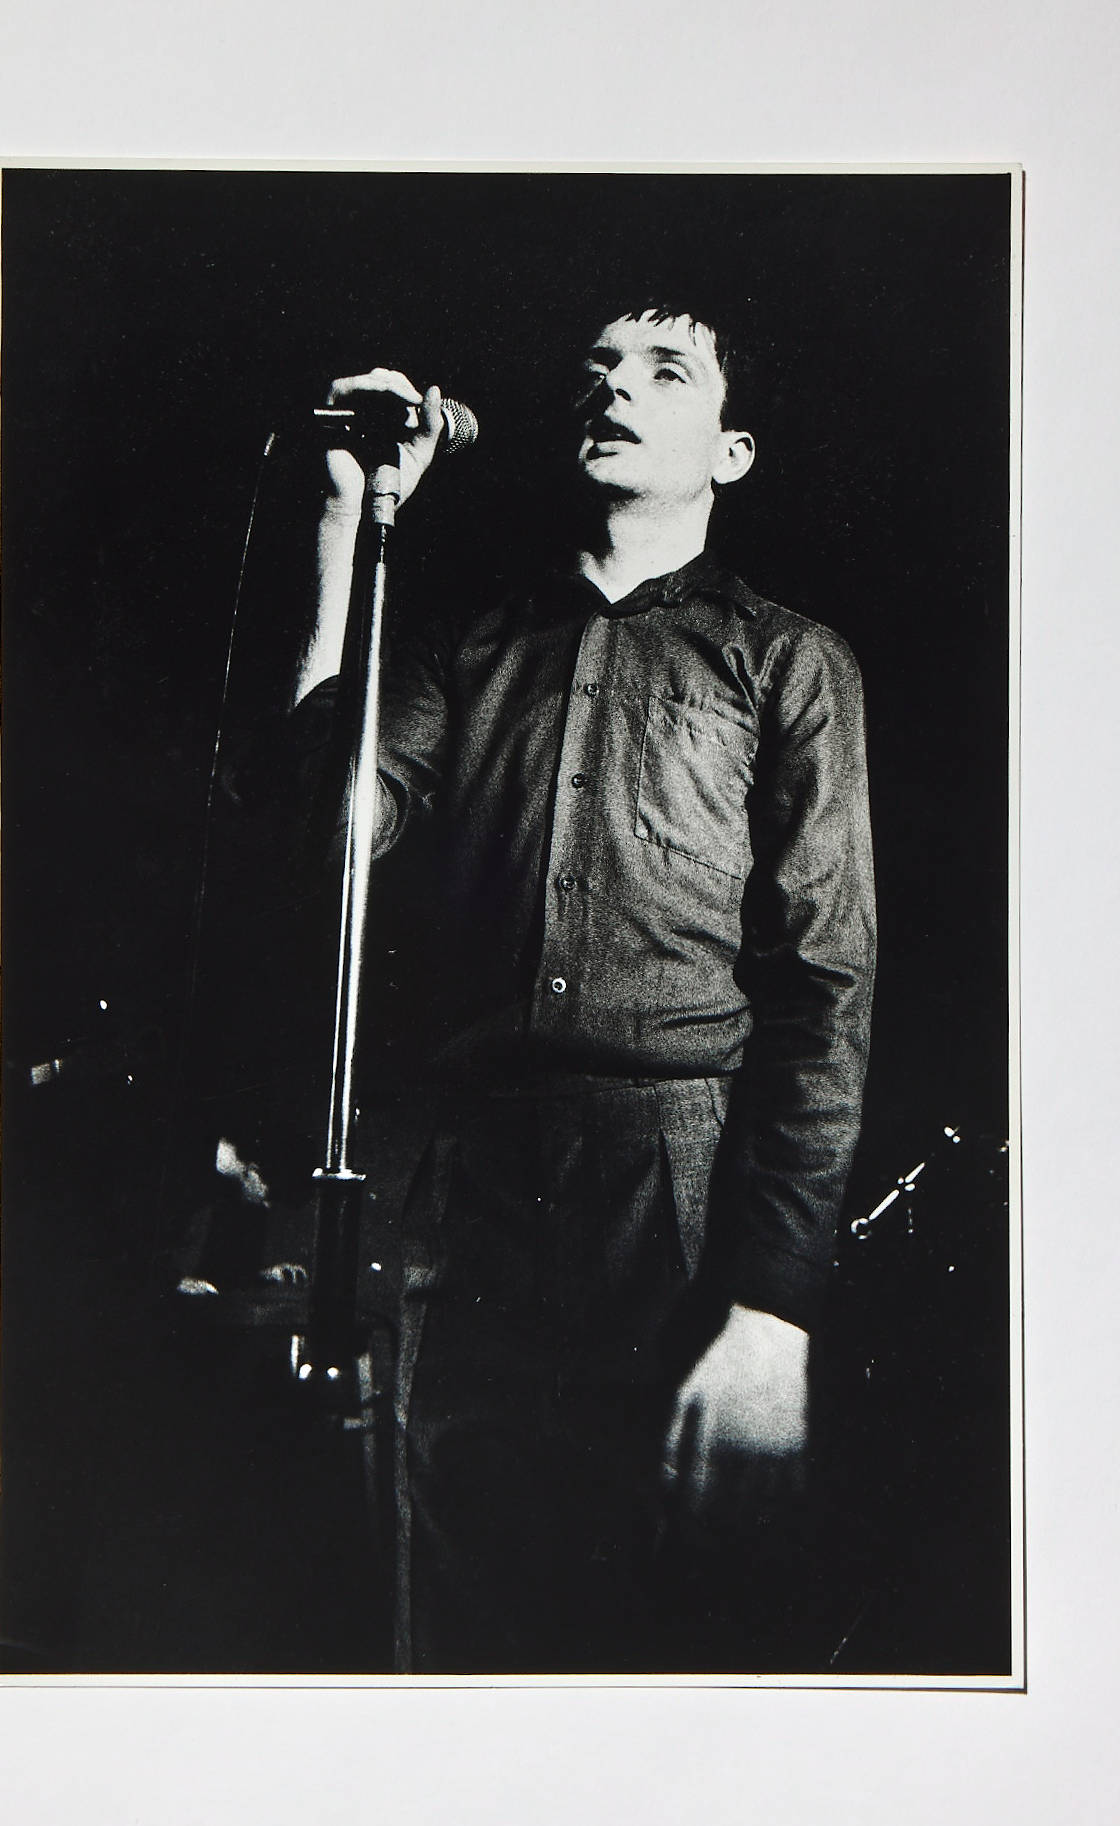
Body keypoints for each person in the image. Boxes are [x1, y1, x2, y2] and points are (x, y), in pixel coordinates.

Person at [287, 301, 876, 1673]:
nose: (613, 386)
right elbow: (335, 833)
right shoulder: (468, 638)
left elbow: (825, 991)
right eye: (599, 369)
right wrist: (345, 527)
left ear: (728, 451)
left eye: (662, 371)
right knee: (465, 1623)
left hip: (676, 1187)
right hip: (476, 1187)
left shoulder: (785, 661)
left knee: (678, 1636)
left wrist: (771, 1312)